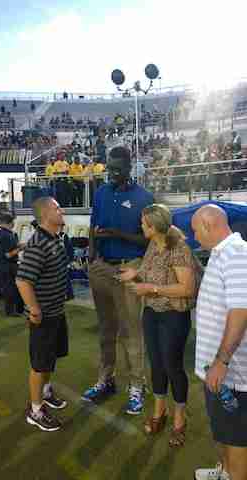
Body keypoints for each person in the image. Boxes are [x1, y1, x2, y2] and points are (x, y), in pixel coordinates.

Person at [81, 146, 154, 415]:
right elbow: (92, 225)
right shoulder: (101, 193)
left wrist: (116, 233)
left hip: (129, 269)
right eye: (109, 168)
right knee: (105, 329)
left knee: (131, 331)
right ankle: (106, 380)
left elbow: (149, 240)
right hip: (101, 267)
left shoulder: (144, 197)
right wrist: (91, 255)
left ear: (129, 167)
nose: (111, 173)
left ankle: (137, 386)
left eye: (117, 169)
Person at [119, 204, 196, 445]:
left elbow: (187, 288)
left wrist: (150, 288)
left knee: (173, 367)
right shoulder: (153, 244)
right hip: (152, 313)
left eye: (143, 223)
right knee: (157, 366)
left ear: (154, 226)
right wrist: (135, 275)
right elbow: (148, 275)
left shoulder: (179, 248)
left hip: (173, 315)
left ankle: (179, 420)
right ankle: (159, 411)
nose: (140, 226)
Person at [192, 205, 247, 480]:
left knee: (237, 438)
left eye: (195, 230)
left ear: (208, 225)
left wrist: (221, 361)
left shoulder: (237, 254)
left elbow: (241, 311)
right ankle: (225, 472)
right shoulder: (222, 253)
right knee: (223, 429)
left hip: (232, 372)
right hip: (217, 370)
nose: (194, 237)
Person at [16, 197, 69, 432]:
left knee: (49, 358)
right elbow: (23, 281)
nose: (62, 211)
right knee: (39, 364)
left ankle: (45, 393)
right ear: (46, 214)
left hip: (56, 312)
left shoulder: (54, 238)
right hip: (44, 315)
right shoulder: (39, 243)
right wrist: (35, 309)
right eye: (57, 208)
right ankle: (35, 411)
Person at [0, 212, 24, 315]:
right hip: (8, 265)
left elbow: (13, 246)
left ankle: (17, 309)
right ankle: (11, 311)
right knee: (10, 288)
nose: (13, 224)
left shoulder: (2, 233)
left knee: (14, 287)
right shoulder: (5, 235)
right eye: (12, 222)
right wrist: (20, 248)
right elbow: (8, 255)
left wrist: (23, 245)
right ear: (7, 223)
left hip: (6, 264)